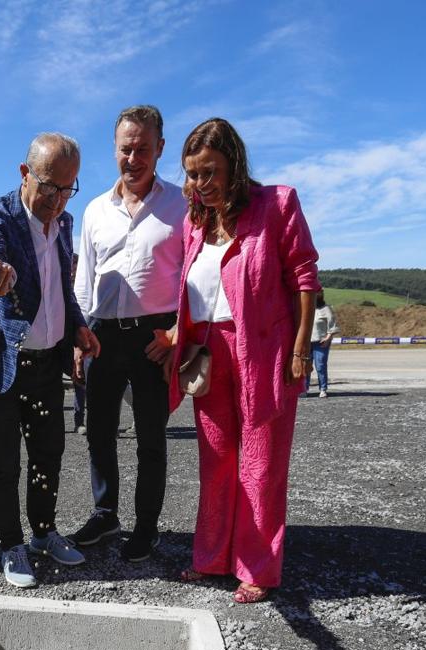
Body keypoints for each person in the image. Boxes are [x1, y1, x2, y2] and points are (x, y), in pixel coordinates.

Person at [146, 118, 320, 604]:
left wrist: (302, 346)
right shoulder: (195, 221)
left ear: (234, 165)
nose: (199, 185)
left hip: (264, 351)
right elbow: (199, 292)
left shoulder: (277, 204)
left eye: (209, 173)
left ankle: (257, 568)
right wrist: (177, 334)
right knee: (216, 461)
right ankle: (211, 558)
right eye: (192, 174)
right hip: (209, 353)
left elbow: (305, 277)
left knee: (261, 464)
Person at [0, 133, 101, 589]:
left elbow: (61, 285)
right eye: (49, 187)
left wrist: (78, 326)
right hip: (2, 363)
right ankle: (10, 545)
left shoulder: (62, 223)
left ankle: (43, 532)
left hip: (45, 364)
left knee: (49, 454)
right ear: (25, 174)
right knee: (4, 461)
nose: (58, 201)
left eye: (68, 189)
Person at [71, 105, 186, 562]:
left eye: (142, 149)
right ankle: (105, 514)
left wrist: (178, 333)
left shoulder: (182, 206)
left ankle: (146, 525)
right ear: (114, 149)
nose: (133, 158)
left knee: (151, 438)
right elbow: (84, 280)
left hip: (154, 338)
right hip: (102, 334)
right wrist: (78, 338)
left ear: (160, 149)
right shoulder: (95, 209)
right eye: (125, 148)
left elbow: (193, 276)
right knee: (98, 432)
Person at [307, 291, 340, 398]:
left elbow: (332, 325)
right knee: (305, 367)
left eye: (318, 293)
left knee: (320, 366)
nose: (316, 295)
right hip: (306, 343)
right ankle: (304, 388)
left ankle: (323, 389)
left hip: (321, 343)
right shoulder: (305, 306)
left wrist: (328, 338)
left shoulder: (326, 309)